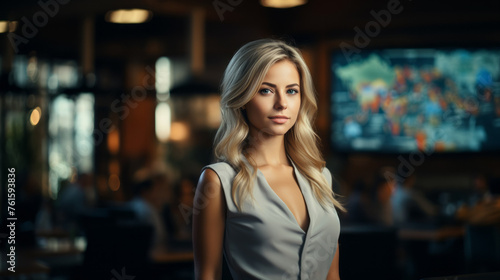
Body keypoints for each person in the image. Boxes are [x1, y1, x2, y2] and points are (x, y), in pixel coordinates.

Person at [193, 39, 345, 280]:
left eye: (292, 91)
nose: (282, 103)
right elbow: (207, 275)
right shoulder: (218, 181)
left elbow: (332, 275)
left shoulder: (320, 177)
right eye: (266, 90)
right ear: (242, 97)